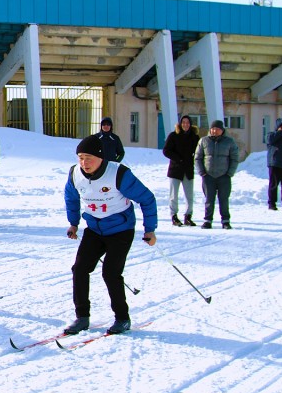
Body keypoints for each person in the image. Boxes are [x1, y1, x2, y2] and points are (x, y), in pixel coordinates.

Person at [63, 135, 157, 336]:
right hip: (94, 229)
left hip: (120, 229)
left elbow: (147, 199)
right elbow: (71, 198)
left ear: (100, 157)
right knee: (79, 269)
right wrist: (73, 223)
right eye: (80, 157)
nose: (84, 163)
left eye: (88, 158)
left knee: (111, 273)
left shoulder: (118, 174)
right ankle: (82, 317)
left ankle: (122, 318)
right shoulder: (75, 174)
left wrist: (150, 229)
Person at [194, 119, 240, 229]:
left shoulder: (229, 142)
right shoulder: (204, 141)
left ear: (222, 130)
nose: (215, 131)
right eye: (213, 128)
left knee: (224, 199)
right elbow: (198, 158)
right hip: (208, 176)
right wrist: (202, 172)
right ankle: (208, 220)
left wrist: (230, 173)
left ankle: (225, 221)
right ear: (210, 129)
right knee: (209, 199)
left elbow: (235, 158)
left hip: (224, 176)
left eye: (217, 129)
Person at [162, 115, 200, 226]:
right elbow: (166, 151)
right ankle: (174, 216)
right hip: (175, 170)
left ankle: (188, 216)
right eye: (183, 122)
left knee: (189, 195)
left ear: (190, 124)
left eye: (187, 122)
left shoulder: (195, 137)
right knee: (174, 195)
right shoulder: (173, 136)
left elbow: (198, 152)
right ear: (180, 124)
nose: (185, 124)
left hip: (188, 170)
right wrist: (178, 158)